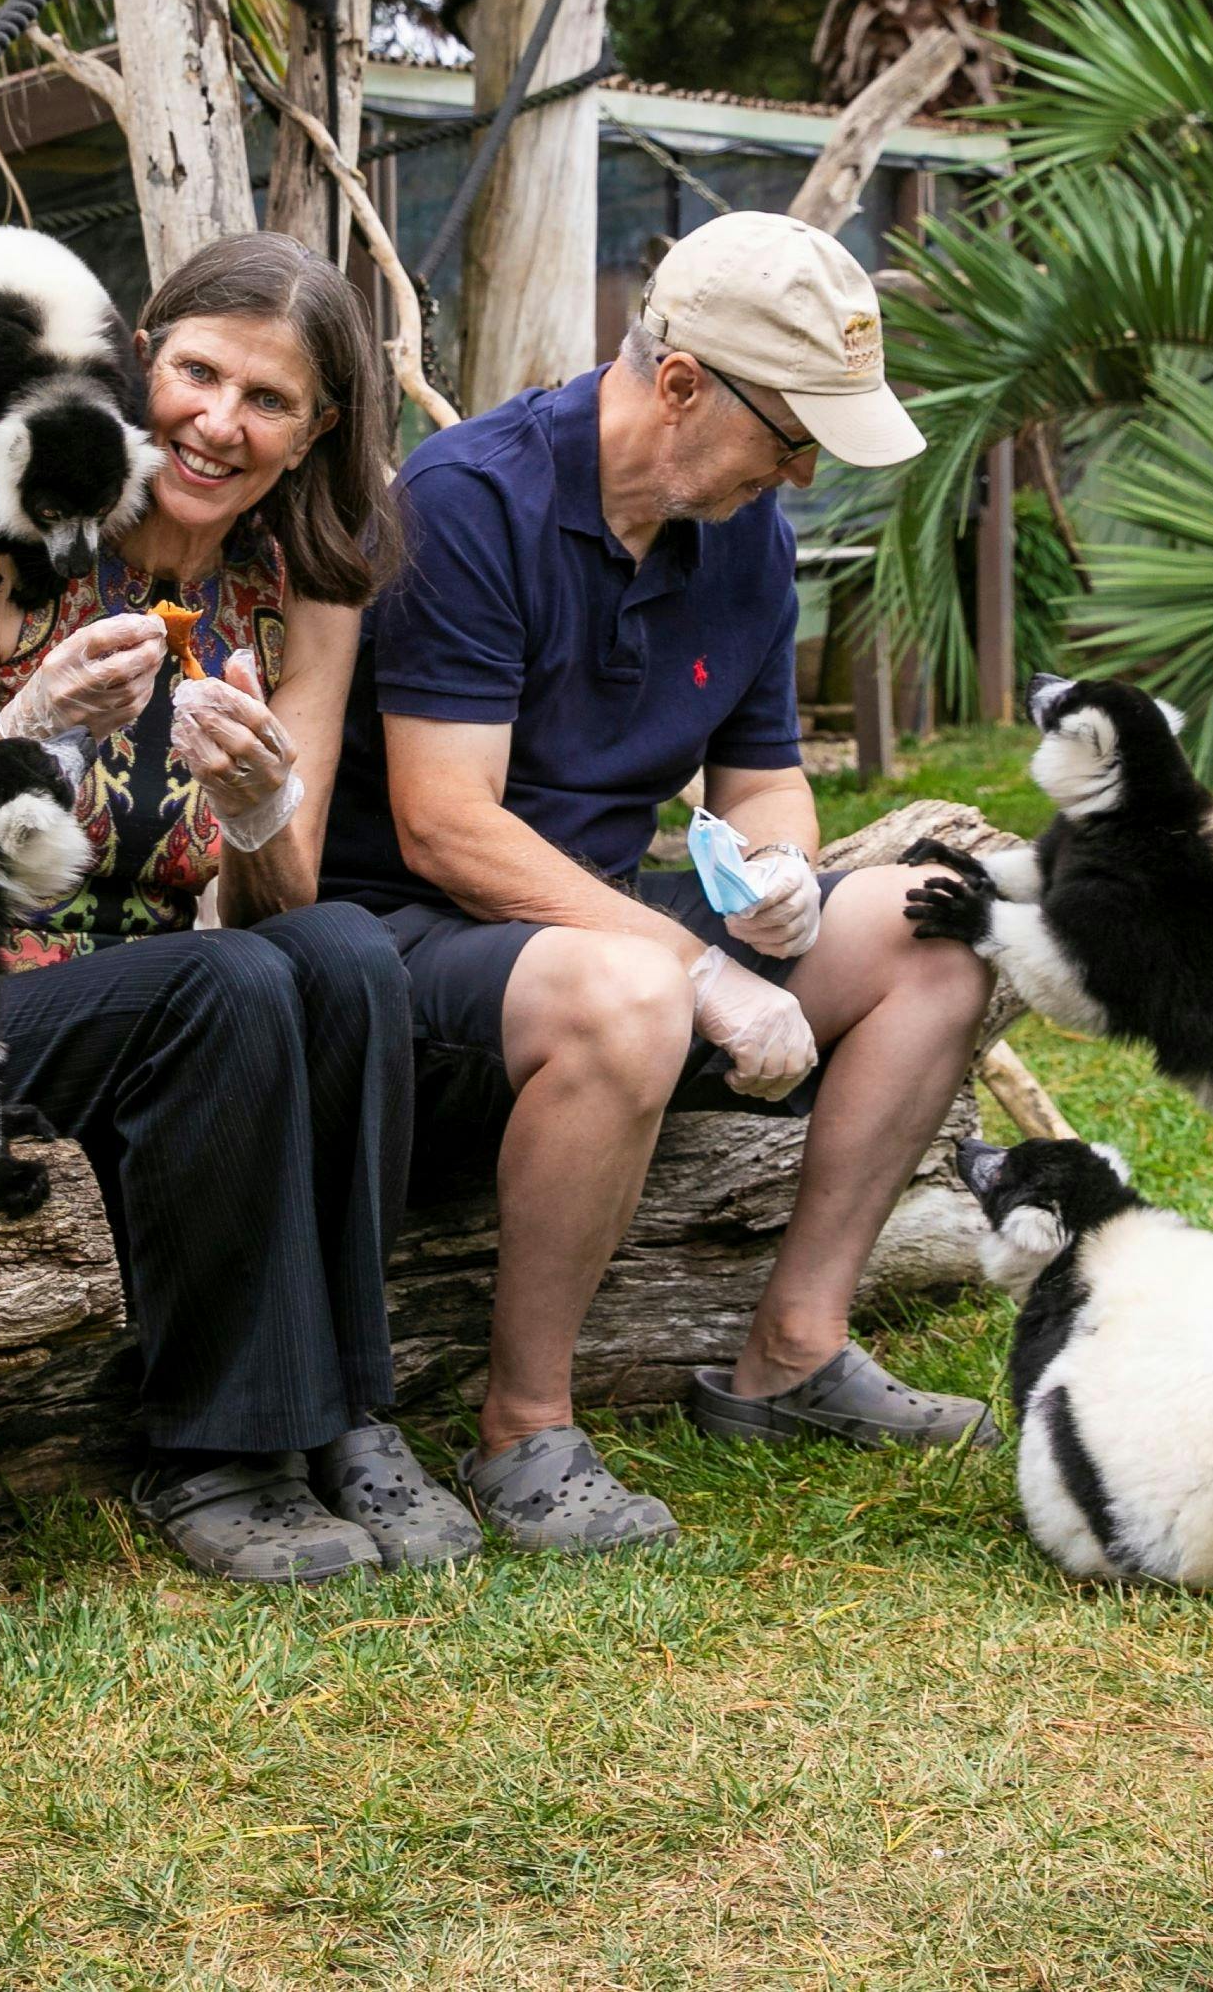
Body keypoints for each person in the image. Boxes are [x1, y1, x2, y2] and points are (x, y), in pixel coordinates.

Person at [322, 213, 999, 1554]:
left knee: (943, 926)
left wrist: (784, 878)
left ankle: (793, 1355)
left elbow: (763, 781)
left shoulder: (742, 534)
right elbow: (446, 826)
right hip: (410, 945)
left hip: (605, 922)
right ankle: (526, 1433)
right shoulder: (469, 503)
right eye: (792, 431)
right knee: (634, 990)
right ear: (680, 383)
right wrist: (693, 969)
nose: (804, 468)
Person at [0, 231, 472, 1583]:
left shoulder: (297, 587)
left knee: (346, 952)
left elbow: (280, 899)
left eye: (269, 401)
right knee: (226, 984)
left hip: (168, 999)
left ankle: (355, 1418)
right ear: (142, 363)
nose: (220, 422)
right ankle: (216, 1447)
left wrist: (258, 810)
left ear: (317, 433)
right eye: (198, 374)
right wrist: (25, 725)